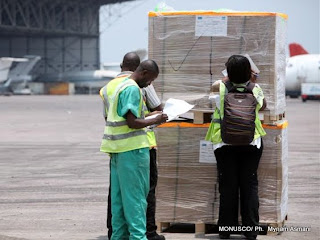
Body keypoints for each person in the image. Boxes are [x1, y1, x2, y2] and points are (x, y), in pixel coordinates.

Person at [100, 52, 166, 240]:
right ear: (144, 72)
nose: (149, 84)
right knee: (137, 202)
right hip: (134, 151)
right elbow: (132, 121)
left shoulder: (114, 86)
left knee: (119, 204)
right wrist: (157, 118)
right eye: (150, 80)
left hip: (116, 150)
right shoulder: (132, 89)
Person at [205, 55, 267, 240]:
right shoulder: (255, 88)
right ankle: (251, 231)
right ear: (249, 71)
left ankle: (225, 230)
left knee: (228, 185)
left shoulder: (219, 86)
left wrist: (225, 81)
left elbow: (210, 102)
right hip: (251, 142)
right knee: (249, 185)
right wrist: (251, 81)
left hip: (224, 143)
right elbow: (263, 107)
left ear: (228, 72)